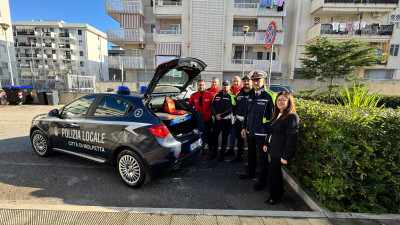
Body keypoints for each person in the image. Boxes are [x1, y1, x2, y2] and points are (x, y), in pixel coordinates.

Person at [239, 70, 275, 192]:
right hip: (250, 131)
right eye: (253, 80)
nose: (255, 82)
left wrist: (268, 135)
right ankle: (250, 172)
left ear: (263, 81)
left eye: (258, 80)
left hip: (262, 133)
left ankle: (262, 180)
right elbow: (246, 113)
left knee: (263, 158)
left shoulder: (268, 97)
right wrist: (244, 127)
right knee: (251, 154)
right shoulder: (250, 95)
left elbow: (272, 118)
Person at [263, 91, 299, 204]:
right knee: (276, 173)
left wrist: (286, 155)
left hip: (280, 151)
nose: (280, 102)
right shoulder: (277, 113)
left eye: (283, 100)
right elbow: (271, 130)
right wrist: (266, 143)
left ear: (289, 102)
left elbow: (291, 138)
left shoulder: (292, 117)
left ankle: (274, 197)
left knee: (273, 174)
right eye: (278, 100)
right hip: (273, 149)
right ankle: (279, 192)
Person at [211, 80, 235, 162]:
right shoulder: (217, 95)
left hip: (226, 121)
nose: (225, 86)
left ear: (229, 86)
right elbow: (212, 106)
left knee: (224, 139)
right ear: (221, 86)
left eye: (227, 85)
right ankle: (214, 153)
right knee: (215, 137)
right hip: (217, 120)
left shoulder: (231, 96)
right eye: (224, 84)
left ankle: (221, 155)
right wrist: (216, 114)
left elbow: (230, 108)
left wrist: (221, 115)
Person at [189, 80, 215, 155]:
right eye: (200, 85)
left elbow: (213, 107)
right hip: (199, 120)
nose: (201, 87)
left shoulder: (210, 95)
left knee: (209, 134)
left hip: (208, 119)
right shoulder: (193, 96)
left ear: (205, 86)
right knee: (200, 134)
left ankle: (210, 149)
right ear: (197, 86)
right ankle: (202, 149)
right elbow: (190, 107)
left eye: (203, 85)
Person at [231, 74, 251, 163]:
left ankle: (250, 161)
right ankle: (239, 157)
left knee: (251, 142)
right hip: (239, 121)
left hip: (250, 122)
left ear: (251, 82)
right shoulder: (239, 93)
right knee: (239, 141)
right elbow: (235, 107)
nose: (246, 82)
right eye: (244, 81)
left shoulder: (254, 94)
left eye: (248, 80)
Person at [227, 76, 243, 155]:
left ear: (240, 82)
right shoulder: (229, 91)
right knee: (232, 133)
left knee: (241, 136)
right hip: (232, 117)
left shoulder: (243, 91)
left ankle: (241, 152)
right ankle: (231, 149)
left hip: (241, 118)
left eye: (237, 81)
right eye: (234, 81)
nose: (235, 83)